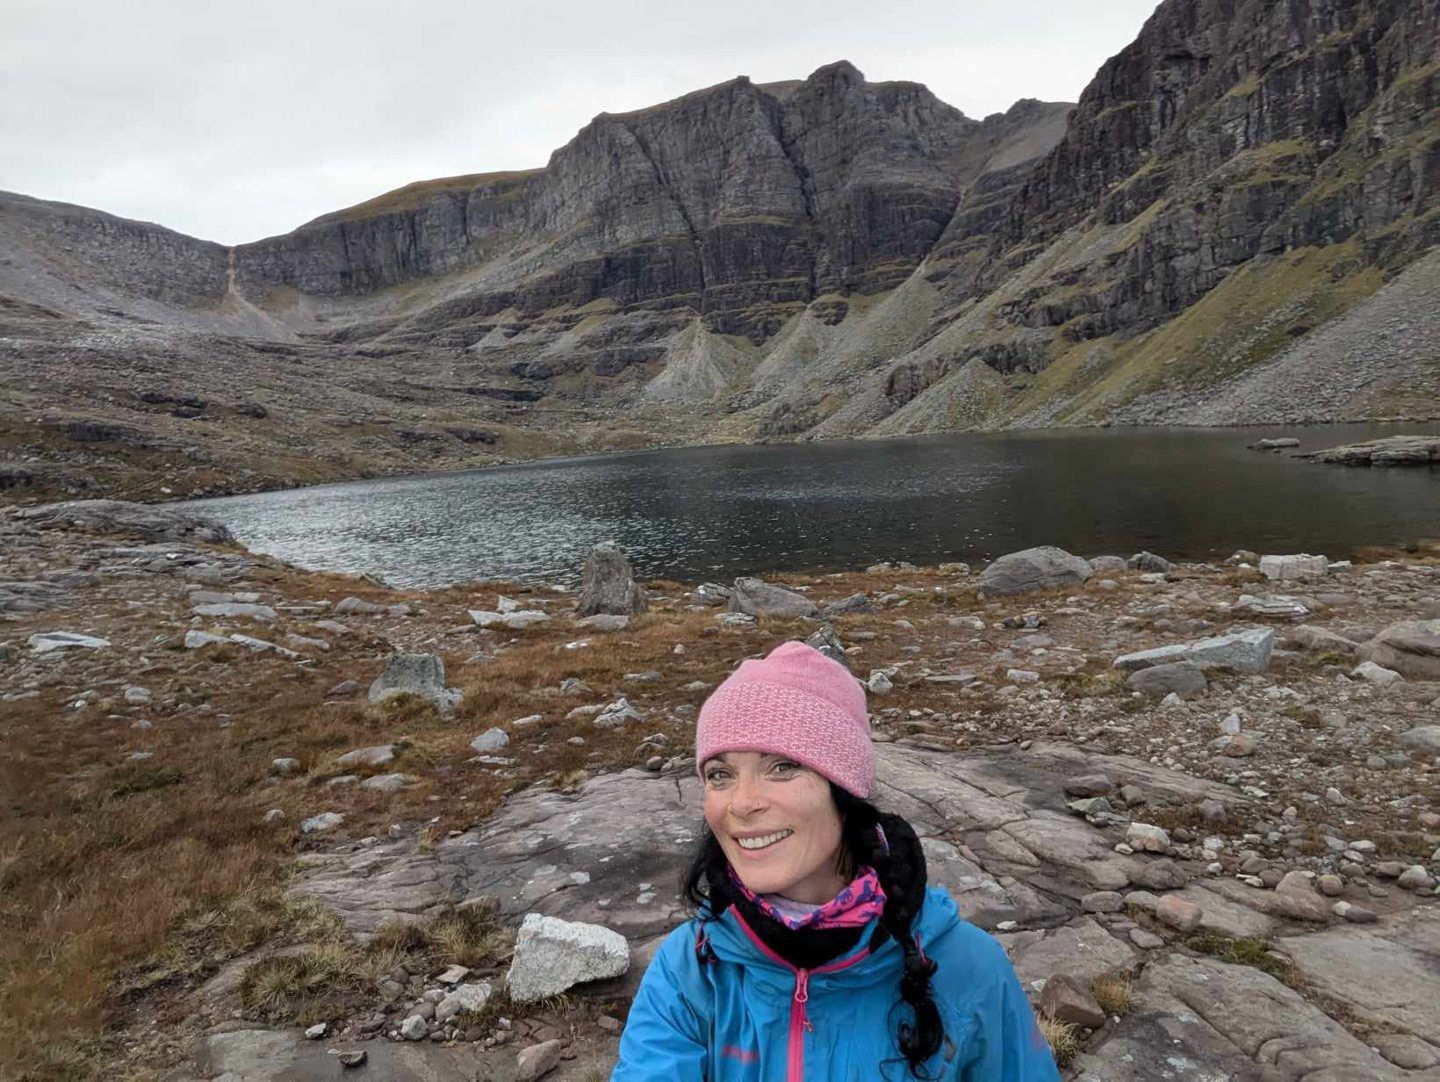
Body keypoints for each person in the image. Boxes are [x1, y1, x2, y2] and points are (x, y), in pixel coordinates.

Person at [612, 641, 1062, 1081]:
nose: (742, 803)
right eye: (720, 774)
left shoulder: (968, 968)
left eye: (783, 766)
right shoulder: (690, 972)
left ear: (843, 790)